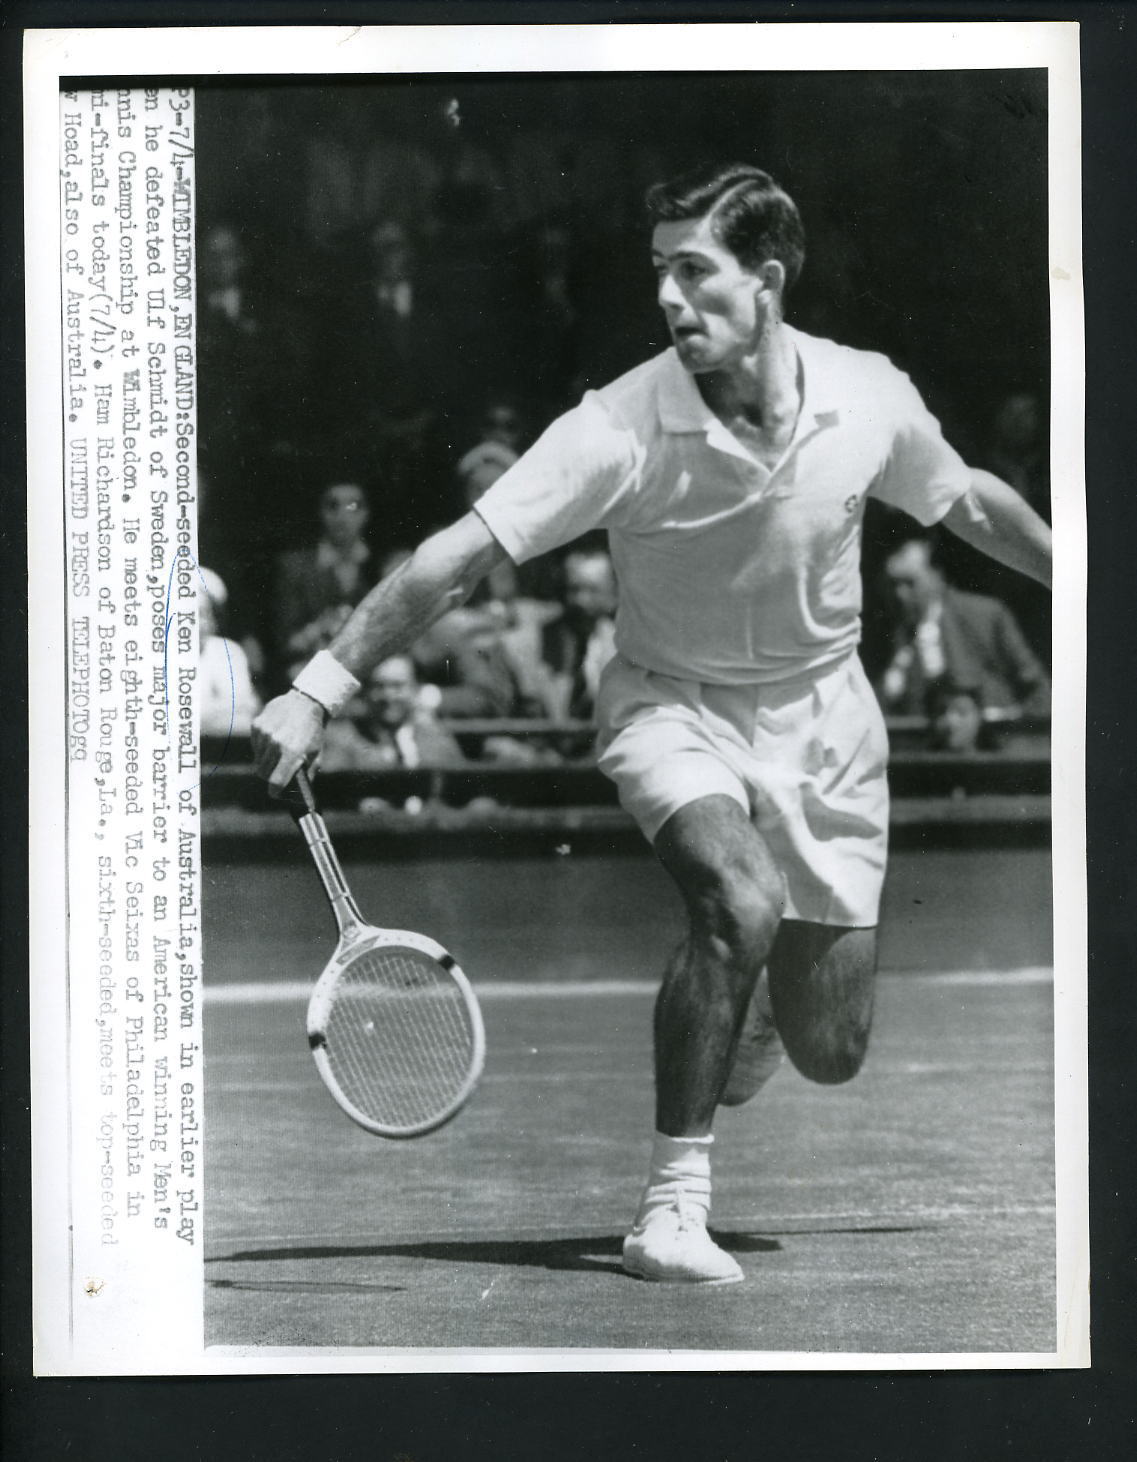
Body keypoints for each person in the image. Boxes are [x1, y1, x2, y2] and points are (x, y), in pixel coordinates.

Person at [253, 163, 1052, 1286]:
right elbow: (462, 554)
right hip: (670, 704)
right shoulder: (617, 427)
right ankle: (669, 1209)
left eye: (695, 272)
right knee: (736, 899)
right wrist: (318, 684)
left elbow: (964, 497)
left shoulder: (867, 395)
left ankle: (766, 1008)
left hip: (828, 718)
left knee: (831, 1048)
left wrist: (1085, 575)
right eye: (659, 275)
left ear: (767, 282)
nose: (669, 300)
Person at [877, 536, 1050, 719]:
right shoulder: (897, 632)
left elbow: (1038, 688)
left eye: (910, 583)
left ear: (937, 575)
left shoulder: (984, 614)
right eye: (893, 584)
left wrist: (1009, 718)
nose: (900, 594)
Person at [273, 482, 377, 686]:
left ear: (366, 514)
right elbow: (285, 642)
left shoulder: (379, 566)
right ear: (320, 512)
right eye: (332, 506)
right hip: (311, 665)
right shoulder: (294, 568)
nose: (342, 517)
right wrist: (321, 627)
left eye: (353, 507)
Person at [320, 654, 465, 773]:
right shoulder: (343, 739)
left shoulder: (437, 738)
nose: (388, 696)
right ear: (365, 692)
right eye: (378, 686)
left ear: (416, 689)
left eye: (398, 686)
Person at [541, 546, 620, 722]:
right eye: (574, 589)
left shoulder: (628, 645)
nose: (581, 600)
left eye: (593, 590)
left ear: (615, 593)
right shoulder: (542, 640)